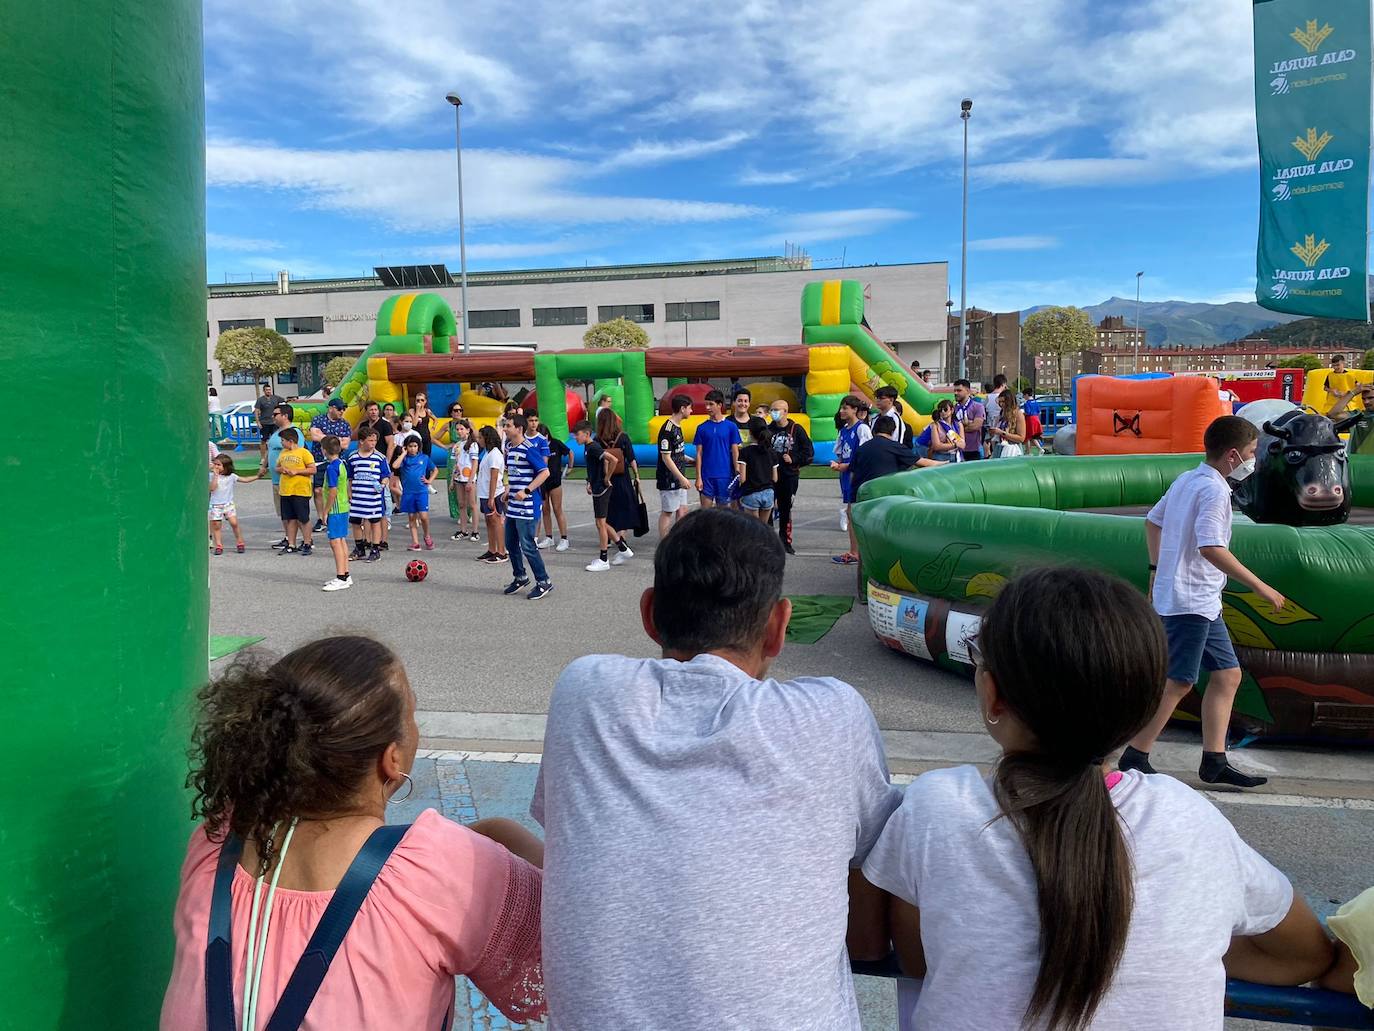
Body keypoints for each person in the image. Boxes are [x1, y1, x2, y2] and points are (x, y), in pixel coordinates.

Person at [854, 567, 1338, 1031]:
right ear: (1147, 706)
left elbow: (914, 957)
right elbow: (1304, 954)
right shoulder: (1191, 820)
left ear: (993, 692)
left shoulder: (938, 809)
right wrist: (1171, 945)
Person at [533, 509, 901, 1029]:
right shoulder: (833, 714)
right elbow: (875, 861)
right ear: (778, 627)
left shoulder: (585, 692)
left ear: (650, 613)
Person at [159, 637, 546, 1029]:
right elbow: (579, 939)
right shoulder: (440, 869)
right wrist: (499, 836)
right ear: (391, 759)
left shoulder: (217, 838)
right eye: (411, 716)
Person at [1120, 415, 1286, 788]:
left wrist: (1155, 569)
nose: (1252, 460)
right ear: (1232, 455)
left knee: (1227, 675)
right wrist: (1261, 586)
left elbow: (1152, 521)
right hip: (1190, 599)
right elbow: (1210, 546)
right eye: (1251, 452)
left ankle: (1214, 760)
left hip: (1196, 598)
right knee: (1178, 681)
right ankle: (1136, 755)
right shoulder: (1213, 490)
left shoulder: (1188, 479)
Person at [500, 414, 553, 601]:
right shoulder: (509, 447)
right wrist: (508, 490)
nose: (505, 429)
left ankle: (543, 581)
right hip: (513, 505)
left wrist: (527, 490)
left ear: (519, 429)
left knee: (528, 545)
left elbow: (545, 472)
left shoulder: (529, 449)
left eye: (508, 426)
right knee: (510, 543)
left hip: (528, 506)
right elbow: (510, 472)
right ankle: (520, 576)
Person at [830, 395, 872, 565]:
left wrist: (845, 466)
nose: (841, 411)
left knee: (856, 513)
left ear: (855, 410)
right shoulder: (844, 430)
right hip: (847, 475)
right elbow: (840, 454)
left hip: (858, 475)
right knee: (850, 513)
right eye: (841, 408)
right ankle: (855, 551)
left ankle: (858, 553)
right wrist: (838, 464)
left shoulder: (862, 429)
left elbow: (864, 456)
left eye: (845, 408)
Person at [767, 399, 813, 555]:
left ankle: (785, 541)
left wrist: (793, 459)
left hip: (789, 476)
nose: (773, 412)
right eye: (772, 409)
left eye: (777, 409)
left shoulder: (796, 429)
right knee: (767, 508)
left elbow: (808, 453)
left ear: (785, 411)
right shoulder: (768, 430)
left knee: (785, 509)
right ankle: (769, 541)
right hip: (769, 476)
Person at [576, 420, 621, 572]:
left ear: (586, 434)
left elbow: (613, 460)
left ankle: (604, 559)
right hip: (596, 486)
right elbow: (597, 465)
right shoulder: (588, 448)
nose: (576, 437)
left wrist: (607, 478)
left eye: (578, 435)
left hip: (601, 489)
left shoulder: (593, 447)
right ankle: (623, 548)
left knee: (600, 524)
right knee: (602, 522)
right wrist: (590, 481)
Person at [600, 408, 641, 563]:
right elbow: (631, 458)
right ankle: (621, 537)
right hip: (622, 477)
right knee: (624, 507)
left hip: (606, 479)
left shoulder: (598, 439)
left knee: (609, 509)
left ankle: (612, 538)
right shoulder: (623, 437)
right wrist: (637, 476)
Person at [345, 426, 389, 563]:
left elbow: (386, 476)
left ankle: (375, 549)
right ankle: (359, 548)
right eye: (370, 440)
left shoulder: (379, 458)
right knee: (356, 522)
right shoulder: (352, 457)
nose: (373, 443)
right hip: (358, 497)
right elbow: (350, 477)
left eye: (375, 441)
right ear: (361, 441)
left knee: (374, 522)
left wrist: (381, 485)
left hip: (373, 497)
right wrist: (349, 491)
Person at [309, 398, 354, 532]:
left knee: (335, 488)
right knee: (318, 490)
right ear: (331, 408)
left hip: (336, 461)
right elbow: (314, 436)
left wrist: (326, 437)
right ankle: (321, 517)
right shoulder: (318, 420)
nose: (342, 411)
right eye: (339, 409)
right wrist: (336, 439)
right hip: (320, 459)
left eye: (343, 409)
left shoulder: (345, 424)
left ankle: (334, 513)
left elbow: (345, 444)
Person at [692, 389, 742, 508]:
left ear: (720, 405)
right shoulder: (701, 428)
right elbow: (699, 453)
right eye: (706, 404)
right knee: (705, 513)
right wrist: (698, 477)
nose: (707, 407)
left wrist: (737, 470)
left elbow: (735, 450)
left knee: (723, 513)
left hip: (725, 475)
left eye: (711, 404)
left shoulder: (731, 427)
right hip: (706, 476)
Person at [850, 416, 920, 497]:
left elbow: (853, 475)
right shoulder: (895, 447)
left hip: (864, 494)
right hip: (885, 495)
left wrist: (851, 500)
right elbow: (921, 462)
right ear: (893, 431)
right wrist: (938, 465)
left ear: (874, 430)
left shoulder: (861, 448)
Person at [656, 393, 695, 536]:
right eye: (690, 408)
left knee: (682, 510)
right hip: (669, 478)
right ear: (682, 409)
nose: (691, 412)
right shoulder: (667, 429)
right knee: (668, 511)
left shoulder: (678, 426)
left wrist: (689, 459)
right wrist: (681, 478)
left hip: (679, 476)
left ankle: (678, 540)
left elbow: (676, 452)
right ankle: (665, 543)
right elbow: (666, 457)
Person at [319, 435, 353, 591]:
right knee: (341, 540)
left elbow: (332, 491)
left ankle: (341, 577)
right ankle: (345, 574)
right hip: (343, 506)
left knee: (335, 542)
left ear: (324, 450)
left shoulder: (332, 467)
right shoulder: (341, 464)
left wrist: (325, 511)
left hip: (336, 509)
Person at [392, 437, 436, 552]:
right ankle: (415, 543)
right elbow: (395, 466)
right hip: (408, 492)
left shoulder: (424, 458)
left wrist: (429, 480)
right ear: (406, 447)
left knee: (424, 517)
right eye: (410, 446)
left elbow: (435, 470)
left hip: (421, 491)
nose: (412, 449)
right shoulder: (404, 459)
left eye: (415, 446)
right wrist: (403, 453)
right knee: (412, 518)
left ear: (418, 447)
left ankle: (427, 536)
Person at [275, 428, 315, 556]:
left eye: (283, 440)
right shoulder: (283, 453)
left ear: (291, 441)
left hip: (300, 490)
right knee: (290, 518)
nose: (281, 443)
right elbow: (277, 467)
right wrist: (281, 469)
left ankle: (307, 542)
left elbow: (312, 469)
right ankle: (291, 544)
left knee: (303, 518)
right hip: (286, 490)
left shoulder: (304, 453)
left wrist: (297, 471)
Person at [208, 454, 258, 555]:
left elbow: (245, 479)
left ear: (226, 467)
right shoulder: (211, 476)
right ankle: (218, 545)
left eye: (219, 465)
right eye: (215, 464)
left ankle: (240, 542)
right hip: (215, 505)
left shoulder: (231, 476)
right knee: (216, 525)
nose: (216, 467)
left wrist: (258, 476)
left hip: (228, 504)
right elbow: (212, 488)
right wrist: (216, 476)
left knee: (234, 523)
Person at [474, 425, 508, 564]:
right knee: (489, 522)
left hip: (493, 493)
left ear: (487, 438)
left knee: (496, 521)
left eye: (480, 437)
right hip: (484, 492)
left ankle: (501, 551)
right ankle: (492, 549)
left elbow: (494, 477)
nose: (479, 440)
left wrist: (491, 497)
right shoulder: (488, 453)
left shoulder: (494, 454)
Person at [735, 420, 778, 524]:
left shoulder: (745, 452)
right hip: (768, 492)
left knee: (752, 527)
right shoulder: (772, 452)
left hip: (752, 492)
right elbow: (775, 478)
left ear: (750, 433)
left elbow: (743, 478)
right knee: (763, 527)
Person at [448, 418, 481, 542]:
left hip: (469, 479)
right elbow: (455, 464)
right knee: (461, 504)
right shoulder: (456, 445)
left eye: (462, 429)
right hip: (458, 478)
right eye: (457, 429)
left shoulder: (472, 444)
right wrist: (452, 480)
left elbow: (474, 464)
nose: (459, 431)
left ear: (468, 430)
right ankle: (463, 530)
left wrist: (470, 480)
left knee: (472, 505)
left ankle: (475, 531)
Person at [986, 390, 1027, 458]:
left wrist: (1002, 433)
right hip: (999, 448)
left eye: (1004, 402)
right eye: (1000, 401)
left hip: (1012, 450)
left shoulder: (1018, 414)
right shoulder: (1001, 414)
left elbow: (1021, 438)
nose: (1001, 404)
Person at [952, 379, 986, 461]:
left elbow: (976, 426)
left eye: (959, 390)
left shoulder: (978, 406)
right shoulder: (953, 408)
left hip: (973, 450)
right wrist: (967, 424)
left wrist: (959, 429)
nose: (955, 393)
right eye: (955, 390)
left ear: (967, 391)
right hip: (956, 450)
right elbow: (950, 428)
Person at [253, 381, 284, 466]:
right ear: (264, 391)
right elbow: (256, 411)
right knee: (263, 441)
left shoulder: (275, 398)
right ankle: (263, 458)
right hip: (264, 423)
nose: (269, 391)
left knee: (276, 440)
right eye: (267, 390)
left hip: (274, 423)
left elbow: (285, 400)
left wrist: (293, 399)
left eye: (269, 390)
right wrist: (258, 422)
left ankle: (276, 456)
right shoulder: (260, 400)